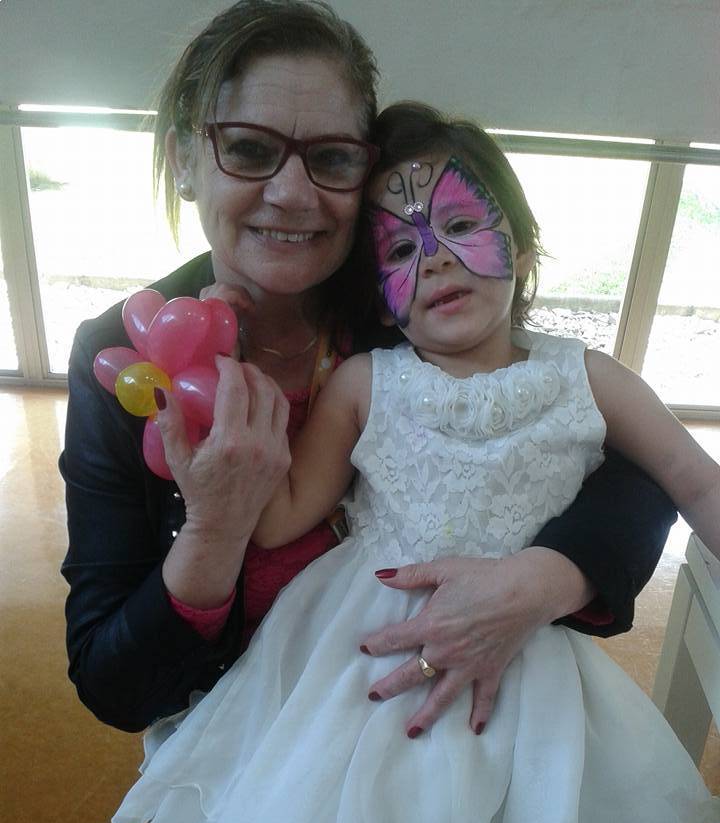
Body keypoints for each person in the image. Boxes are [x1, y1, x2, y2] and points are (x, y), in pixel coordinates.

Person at [112, 102, 720, 823]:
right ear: (379, 293)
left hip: (529, 658)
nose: (432, 257)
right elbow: (283, 515)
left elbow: (694, 478)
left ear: (523, 245)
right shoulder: (364, 382)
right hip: (359, 660)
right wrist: (223, 419)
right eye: (399, 250)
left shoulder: (591, 377)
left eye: (460, 225)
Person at [60, 0, 675, 746]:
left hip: (456, 720)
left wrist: (543, 579)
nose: (292, 193)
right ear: (185, 161)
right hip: (239, 743)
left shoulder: (415, 312)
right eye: (248, 149)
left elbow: (634, 464)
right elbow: (112, 682)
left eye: (331, 157)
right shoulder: (133, 357)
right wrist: (214, 531)